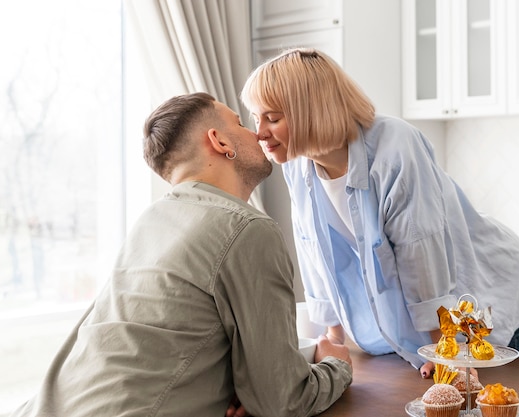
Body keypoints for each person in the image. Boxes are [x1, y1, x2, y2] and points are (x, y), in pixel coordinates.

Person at [240, 47, 519, 376]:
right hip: (434, 327)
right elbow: (316, 255)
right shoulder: (299, 166)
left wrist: (446, 351)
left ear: (312, 109)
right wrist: (332, 342)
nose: (259, 132)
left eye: (272, 118)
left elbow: (421, 256)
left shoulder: (392, 146)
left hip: (483, 293)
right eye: (256, 118)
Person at [10, 92, 352, 417]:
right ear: (219, 141)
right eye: (241, 124)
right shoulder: (247, 229)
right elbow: (282, 401)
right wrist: (337, 365)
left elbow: (165, 338)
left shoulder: (151, 221)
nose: (258, 134)